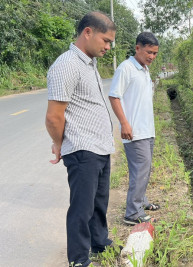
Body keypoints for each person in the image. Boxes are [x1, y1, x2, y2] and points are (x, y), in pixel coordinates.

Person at [45, 11, 116, 266]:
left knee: (99, 204)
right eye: (106, 40)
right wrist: (59, 144)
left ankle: (100, 244)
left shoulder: (89, 63)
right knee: (82, 209)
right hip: (83, 150)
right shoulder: (67, 65)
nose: (108, 46)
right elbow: (54, 117)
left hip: (99, 147)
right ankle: (78, 259)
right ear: (88, 32)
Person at [108, 32, 160, 226]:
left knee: (144, 169)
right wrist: (124, 123)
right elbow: (114, 96)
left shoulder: (144, 70)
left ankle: (141, 201)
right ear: (137, 48)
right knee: (140, 170)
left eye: (155, 53)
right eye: (149, 52)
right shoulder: (126, 69)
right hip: (135, 131)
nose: (152, 57)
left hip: (147, 130)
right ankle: (132, 213)